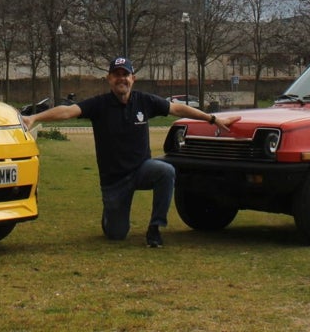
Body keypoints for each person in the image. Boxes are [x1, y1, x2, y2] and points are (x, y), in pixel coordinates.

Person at [21, 55, 238, 248]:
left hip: (142, 170)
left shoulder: (144, 101)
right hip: (115, 181)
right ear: (109, 79)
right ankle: (110, 216)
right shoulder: (100, 105)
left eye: (126, 74)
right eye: (117, 75)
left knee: (166, 171)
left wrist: (213, 119)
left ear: (133, 78)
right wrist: (34, 118)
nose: (121, 78)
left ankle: (155, 228)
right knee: (117, 235)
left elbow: (177, 108)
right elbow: (68, 111)